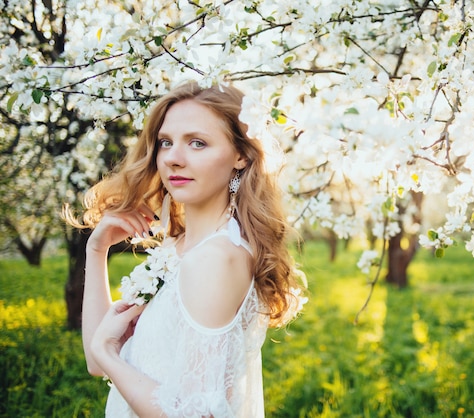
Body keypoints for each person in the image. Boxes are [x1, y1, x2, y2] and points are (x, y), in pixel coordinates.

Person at [65, 81, 306, 417]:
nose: (173, 159)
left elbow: (192, 414)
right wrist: (97, 248)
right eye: (166, 142)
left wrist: (107, 352)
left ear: (241, 156)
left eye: (197, 143)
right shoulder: (177, 248)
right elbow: (97, 362)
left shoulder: (215, 259)